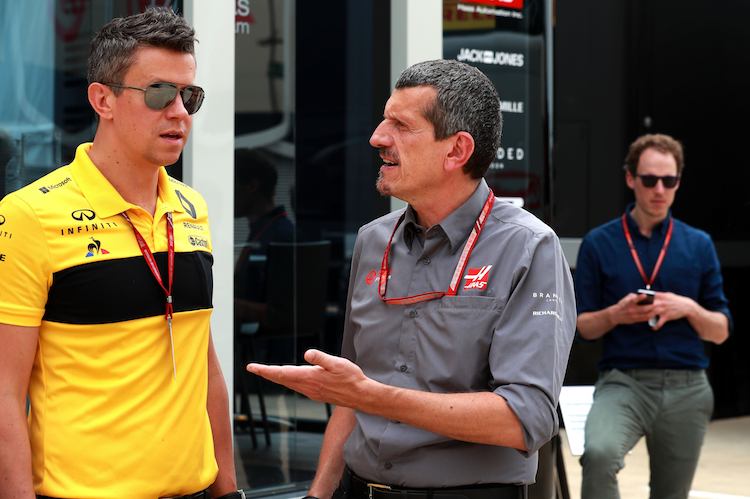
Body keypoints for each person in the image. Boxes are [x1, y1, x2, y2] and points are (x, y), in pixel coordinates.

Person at [248, 59, 576, 499]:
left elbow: (525, 418)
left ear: (456, 151)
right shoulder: (372, 240)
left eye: (401, 125)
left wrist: (372, 396)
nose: (377, 138)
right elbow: (353, 390)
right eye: (384, 120)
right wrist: (319, 493)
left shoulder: (528, 247)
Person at [0, 8, 240, 499]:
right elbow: (4, 391)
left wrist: (228, 489)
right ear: (102, 100)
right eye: (158, 93)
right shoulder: (28, 215)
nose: (178, 112)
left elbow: (205, 364)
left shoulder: (192, 207)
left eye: (188, 95)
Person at [574, 133, 732, 499]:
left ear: (679, 181)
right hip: (624, 381)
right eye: (649, 180)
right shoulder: (600, 242)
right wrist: (616, 314)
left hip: (687, 386)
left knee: (670, 494)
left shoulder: (698, 244)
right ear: (631, 179)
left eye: (669, 180)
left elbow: (721, 332)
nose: (659, 189)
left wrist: (688, 307)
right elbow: (580, 326)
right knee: (598, 455)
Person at [234, 148, 294, 325]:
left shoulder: (281, 236)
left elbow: (282, 313)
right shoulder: (264, 230)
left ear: (252, 186)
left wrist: (223, 304)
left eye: (231, 183)